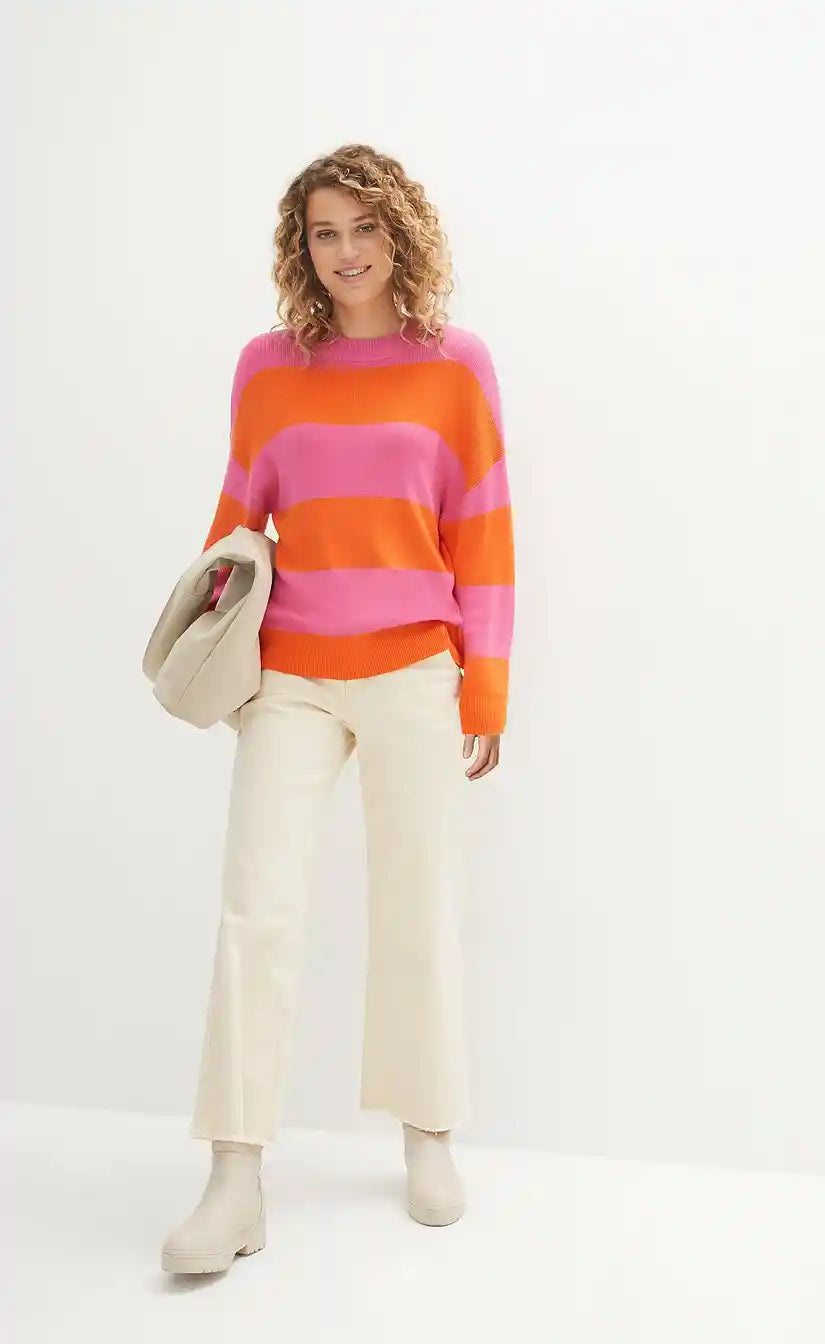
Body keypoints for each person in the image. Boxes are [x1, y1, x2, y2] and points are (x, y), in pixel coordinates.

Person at [160, 144, 515, 1274]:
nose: (347, 251)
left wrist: (488, 679)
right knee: (256, 906)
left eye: (366, 227)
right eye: (324, 232)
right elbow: (237, 516)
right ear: (300, 247)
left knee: (418, 904)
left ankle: (428, 1134)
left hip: (415, 668)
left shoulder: (457, 366)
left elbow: (482, 531)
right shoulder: (266, 367)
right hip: (292, 678)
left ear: (400, 234)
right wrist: (207, 634)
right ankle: (235, 1177)